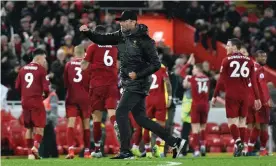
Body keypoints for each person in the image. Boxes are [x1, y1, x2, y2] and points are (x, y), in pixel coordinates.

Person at [80, 10, 185, 159]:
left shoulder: (145, 40)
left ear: (133, 22)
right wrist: (88, 33)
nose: (121, 23)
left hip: (138, 83)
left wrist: (139, 74)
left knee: (121, 112)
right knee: (141, 119)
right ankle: (175, 142)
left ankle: (125, 151)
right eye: (120, 21)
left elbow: (156, 64)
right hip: (129, 82)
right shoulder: (121, 35)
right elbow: (101, 39)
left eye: (124, 21)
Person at [212, 38, 262, 157]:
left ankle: (238, 142)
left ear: (235, 47)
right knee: (242, 122)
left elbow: (220, 80)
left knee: (232, 122)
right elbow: (254, 82)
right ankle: (241, 148)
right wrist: (257, 98)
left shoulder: (226, 60)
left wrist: (215, 95)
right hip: (244, 95)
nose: (226, 47)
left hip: (231, 95)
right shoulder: (250, 61)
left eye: (228, 45)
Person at [80, 25, 118, 158]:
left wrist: (91, 65)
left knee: (96, 118)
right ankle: (120, 135)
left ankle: (97, 149)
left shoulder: (92, 47)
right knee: (112, 113)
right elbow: (118, 65)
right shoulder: (114, 47)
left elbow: (84, 67)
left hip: (97, 86)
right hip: (112, 85)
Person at [131, 62, 172, 158]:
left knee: (146, 126)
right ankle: (157, 145)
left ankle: (148, 151)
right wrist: (170, 97)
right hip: (160, 99)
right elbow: (167, 82)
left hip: (147, 99)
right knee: (161, 125)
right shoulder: (160, 66)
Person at [15, 48, 50, 159]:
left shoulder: (22, 69)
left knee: (29, 128)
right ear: (39, 57)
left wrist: (26, 94)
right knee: (40, 126)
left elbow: (17, 87)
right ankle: (35, 147)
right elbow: (46, 89)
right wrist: (43, 96)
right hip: (36, 101)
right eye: (44, 58)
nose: (44, 61)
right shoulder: (41, 70)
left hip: (25, 101)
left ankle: (30, 154)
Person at [63, 45, 91, 159]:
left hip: (72, 97)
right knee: (86, 124)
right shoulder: (88, 64)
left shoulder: (68, 64)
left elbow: (65, 83)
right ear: (84, 53)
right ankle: (87, 152)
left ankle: (70, 150)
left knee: (71, 123)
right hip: (85, 97)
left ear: (74, 53)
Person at [247, 50, 274, 156]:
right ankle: (262, 149)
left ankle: (249, 149)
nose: (264, 59)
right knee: (262, 126)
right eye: (262, 57)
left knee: (256, 126)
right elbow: (262, 86)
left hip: (251, 100)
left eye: (265, 57)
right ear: (256, 57)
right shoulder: (260, 69)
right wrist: (267, 99)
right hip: (261, 101)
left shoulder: (251, 67)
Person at [183, 64, 210, 157]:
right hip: (205, 105)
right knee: (203, 127)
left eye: (193, 68)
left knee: (195, 129)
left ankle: (196, 150)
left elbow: (183, 76)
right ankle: (203, 145)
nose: (192, 70)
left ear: (198, 69)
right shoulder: (207, 78)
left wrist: (187, 74)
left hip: (196, 105)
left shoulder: (193, 79)